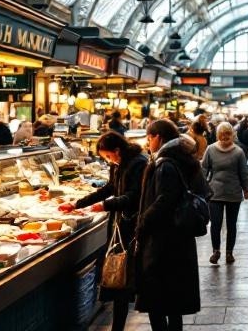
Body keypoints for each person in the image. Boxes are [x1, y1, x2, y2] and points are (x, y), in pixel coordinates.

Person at [70, 132, 148, 331]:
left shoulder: (138, 163)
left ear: (117, 150)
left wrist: (104, 206)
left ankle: (121, 322)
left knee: (125, 277)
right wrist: (78, 203)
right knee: (119, 279)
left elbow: (134, 196)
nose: (108, 160)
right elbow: (110, 188)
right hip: (119, 226)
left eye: (108, 156)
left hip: (132, 227)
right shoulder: (118, 164)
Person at [135, 119, 206, 331]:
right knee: (174, 301)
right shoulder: (181, 158)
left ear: (158, 137)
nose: (148, 143)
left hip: (162, 241)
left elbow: (165, 200)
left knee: (155, 299)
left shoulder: (165, 164)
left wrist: (143, 221)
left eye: (149, 138)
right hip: (178, 240)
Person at [201, 122, 248, 265]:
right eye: (222, 134)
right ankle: (216, 251)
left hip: (233, 193)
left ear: (232, 135)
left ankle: (229, 252)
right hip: (215, 193)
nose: (224, 137)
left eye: (227, 134)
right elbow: (204, 169)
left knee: (231, 224)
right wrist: (203, 186)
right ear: (217, 135)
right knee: (215, 224)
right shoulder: (210, 149)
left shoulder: (238, 152)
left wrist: (246, 189)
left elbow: (244, 172)